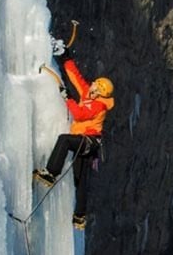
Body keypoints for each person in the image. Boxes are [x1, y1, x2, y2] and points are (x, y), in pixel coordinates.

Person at [33, 47, 115, 230]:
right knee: (80, 180)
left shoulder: (99, 106)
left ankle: (51, 173)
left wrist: (68, 97)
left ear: (100, 93)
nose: (92, 87)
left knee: (64, 140)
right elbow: (75, 77)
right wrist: (66, 57)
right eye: (94, 86)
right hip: (85, 143)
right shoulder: (88, 94)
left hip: (88, 142)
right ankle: (79, 216)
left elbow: (79, 114)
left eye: (96, 87)